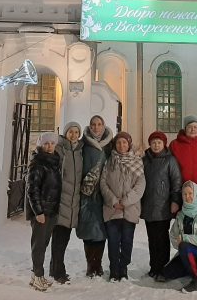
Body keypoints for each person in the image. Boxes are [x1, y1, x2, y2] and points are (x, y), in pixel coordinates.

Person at [100, 131, 146, 281]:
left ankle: (123, 268)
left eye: (124, 142)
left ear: (129, 144)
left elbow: (140, 185)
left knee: (127, 242)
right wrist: (114, 201)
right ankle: (114, 269)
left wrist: (125, 201)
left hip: (129, 209)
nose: (121, 145)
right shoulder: (109, 162)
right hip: (112, 210)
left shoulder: (137, 161)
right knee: (113, 242)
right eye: (119, 143)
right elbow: (103, 183)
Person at [141, 130, 182, 281]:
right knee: (151, 238)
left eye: (159, 142)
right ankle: (154, 267)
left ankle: (163, 267)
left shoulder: (170, 160)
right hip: (148, 206)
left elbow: (176, 182)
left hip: (164, 206)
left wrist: (175, 201)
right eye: (153, 143)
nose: (156, 145)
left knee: (162, 239)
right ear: (150, 144)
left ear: (164, 144)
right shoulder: (145, 160)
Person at [163, 181, 197, 293]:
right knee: (166, 273)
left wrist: (185, 238)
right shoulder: (181, 215)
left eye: (190, 193)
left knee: (184, 246)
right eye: (185, 194)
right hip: (187, 253)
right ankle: (191, 268)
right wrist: (178, 242)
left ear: (196, 194)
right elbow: (173, 235)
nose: (188, 197)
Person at [77, 115, 114, 278]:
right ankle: (90, 265)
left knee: (101, 231)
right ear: (90, 126)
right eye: (93, 124)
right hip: (86, 193)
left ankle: (97, 264)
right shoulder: (83, 144)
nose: (96, 127)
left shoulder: (110, 145)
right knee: (87, 231)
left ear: (104, 126)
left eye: (99, 124)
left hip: (104, 193)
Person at [26, 132, 62, 292]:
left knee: (43, 244)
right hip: (41, 212)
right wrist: (38, 212)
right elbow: (32, 189)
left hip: (51, 211)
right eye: (46, 143)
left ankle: (36, 276)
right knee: (38, 245)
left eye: (52, 143)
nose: (49, 146)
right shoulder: (38, 163)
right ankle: (38, 276)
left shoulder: (54, 161)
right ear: (41, 145)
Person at [49, 122, 83, 284]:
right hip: (61, 201)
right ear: (65, 132)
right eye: (71, 131)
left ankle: (53, 268)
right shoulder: (59, 149)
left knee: (63, 239)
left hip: (73, 203)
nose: (74, 135)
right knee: (59, 239)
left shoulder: (79, 150)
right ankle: (58, 272)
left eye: (77, 132)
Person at [169, 115, 197, 189]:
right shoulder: (174, 144)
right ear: (185, 129)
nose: (193, 129)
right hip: (181, 187)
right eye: (189, 127)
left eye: (195, 127)